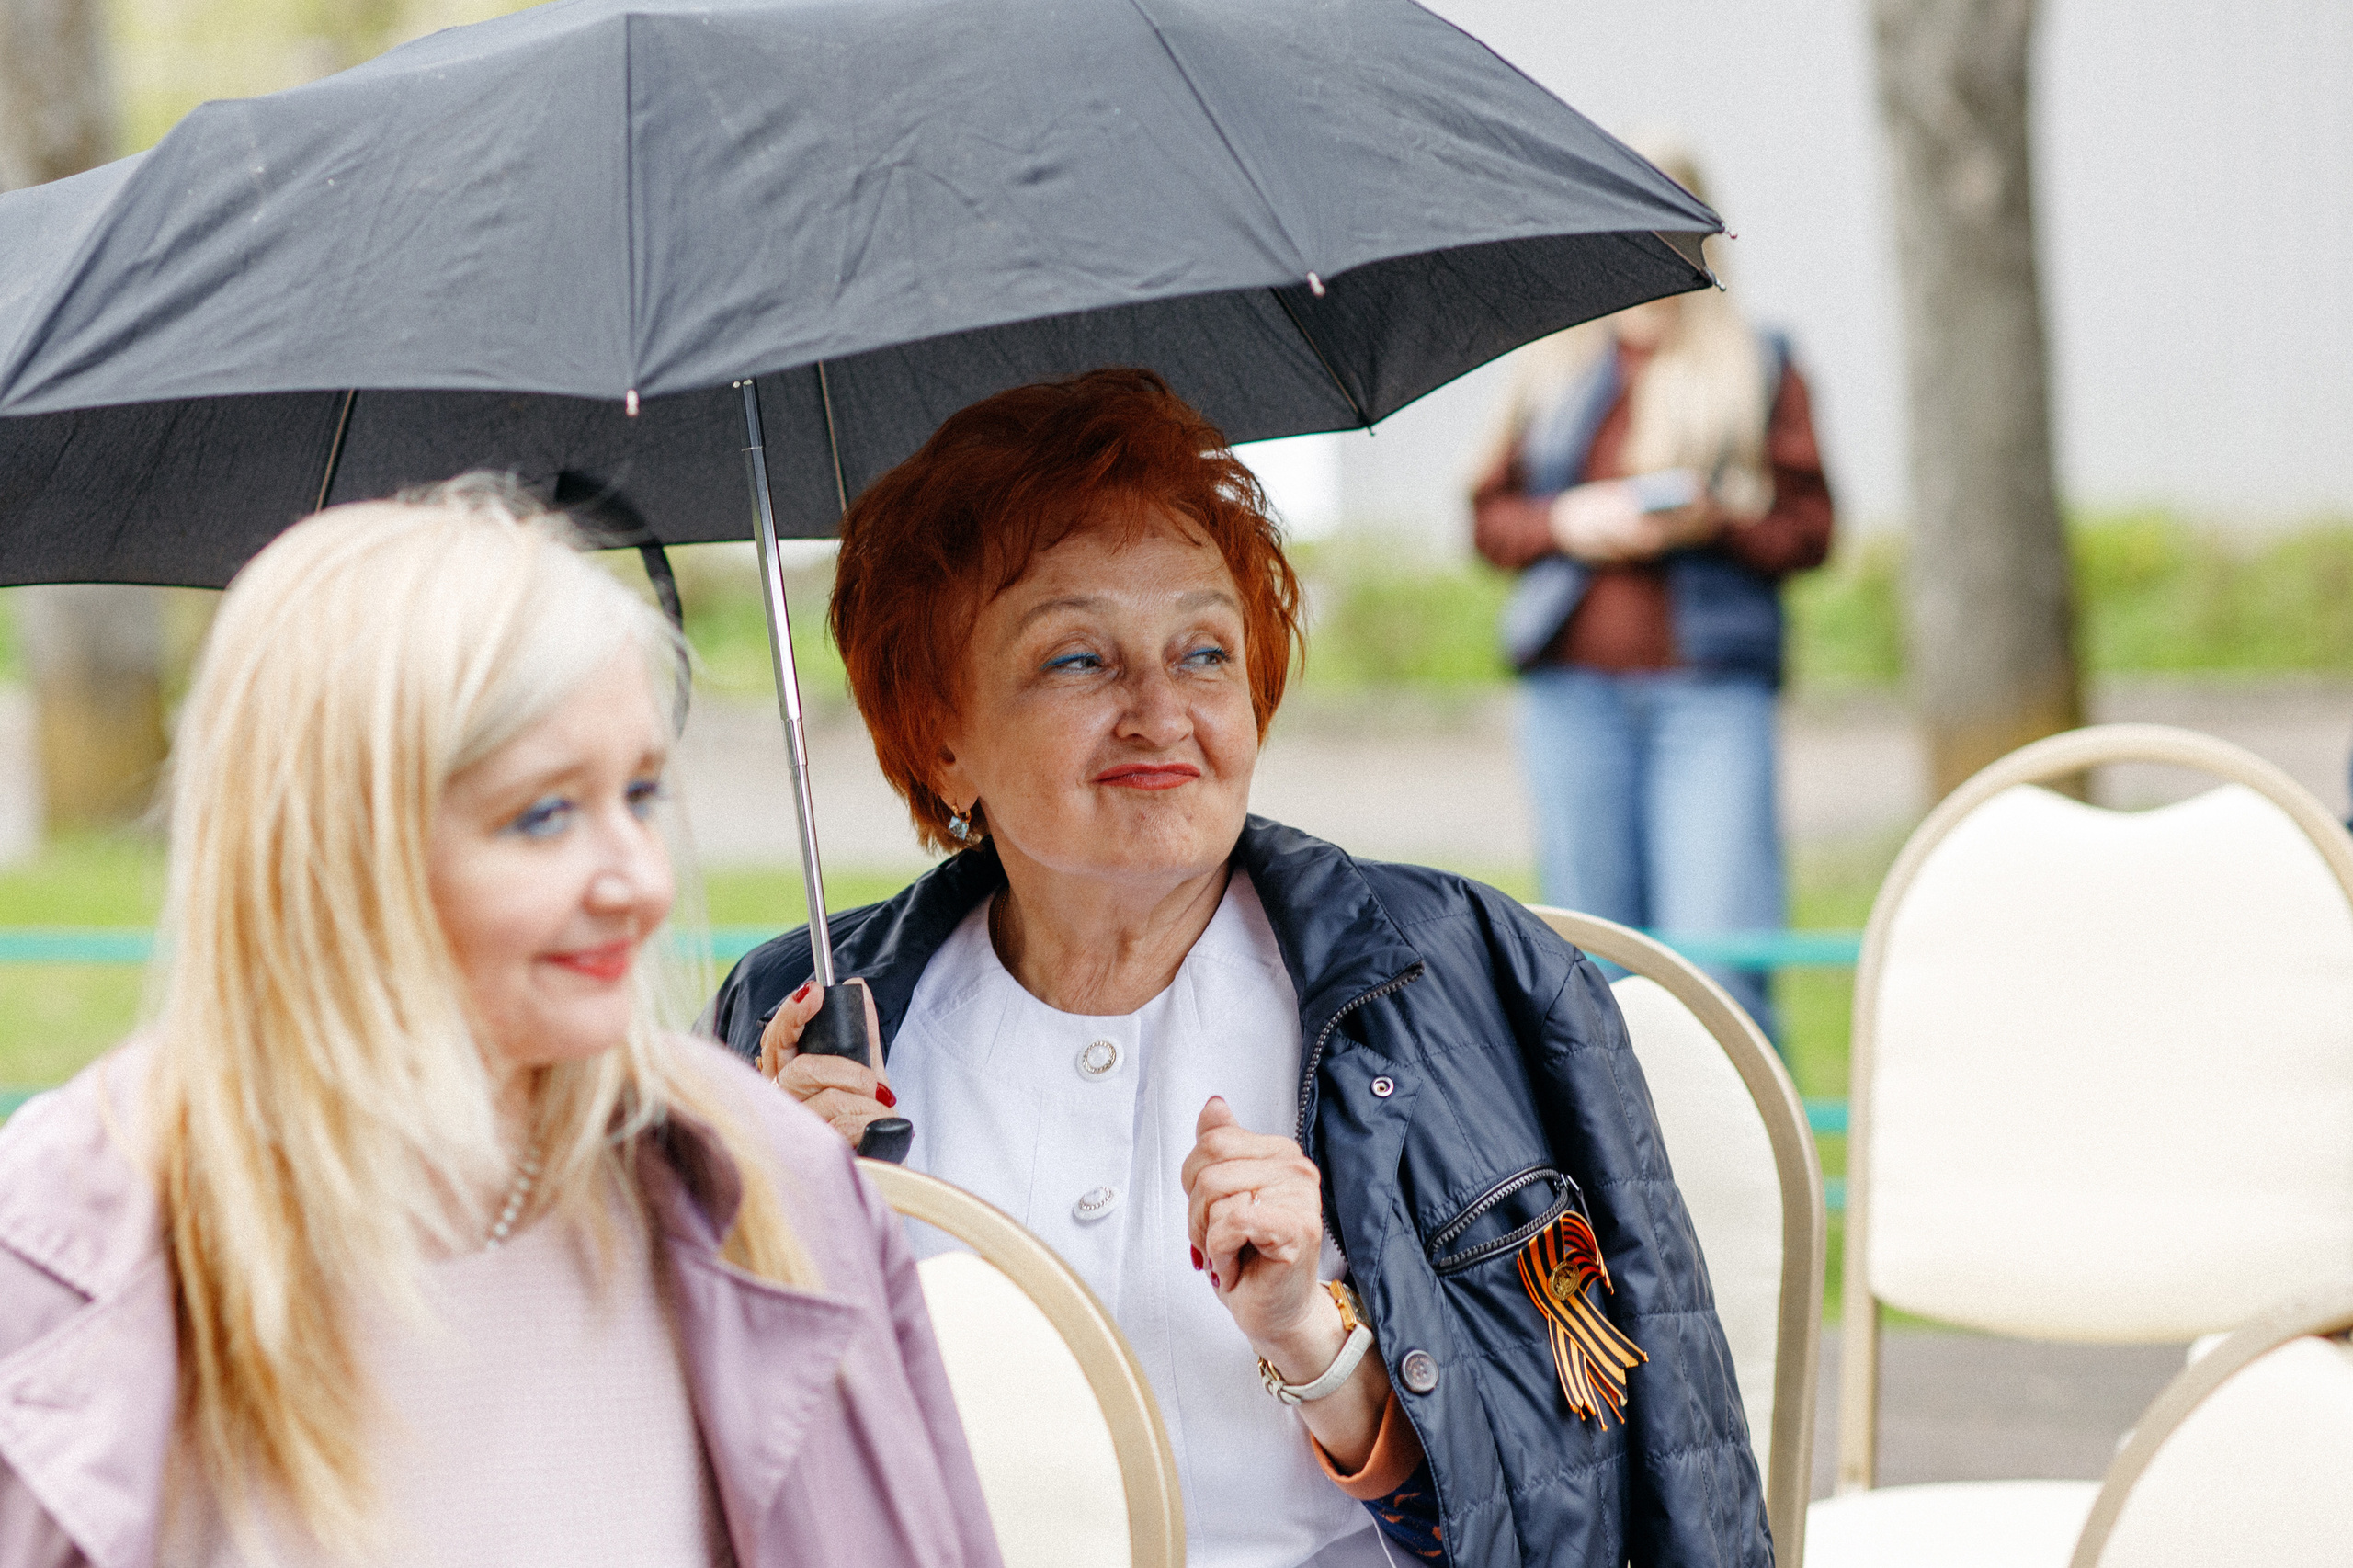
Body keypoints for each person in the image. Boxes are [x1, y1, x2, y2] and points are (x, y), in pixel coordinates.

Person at [710, 370, 1768, 1568]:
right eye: (1078, 660)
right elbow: (688, 1476)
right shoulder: (790, 1027)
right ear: (938, 730)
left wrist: (1319, 1344)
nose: (1161, 709)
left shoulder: (1471, 984)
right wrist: (752, 1247)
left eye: (1205, 650)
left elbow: (1619, 1490)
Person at [0, 479, 1002, 1568]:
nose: (638, 881)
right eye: (544, 814)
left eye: (641, 793)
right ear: (333, 846)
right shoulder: (56, 1258)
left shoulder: (780, 1191)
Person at [1471, 143, 1835, 1038]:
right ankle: (1609, 1169)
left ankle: (1749, 1171)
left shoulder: (1758, 360)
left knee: (1720, 955)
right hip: (1571, 699)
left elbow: (1811, 527)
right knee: (1589, 962)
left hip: (1709, 695)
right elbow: (1489, 519)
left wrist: (1714, 518)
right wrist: (1568, 524)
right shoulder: (1554, 366)